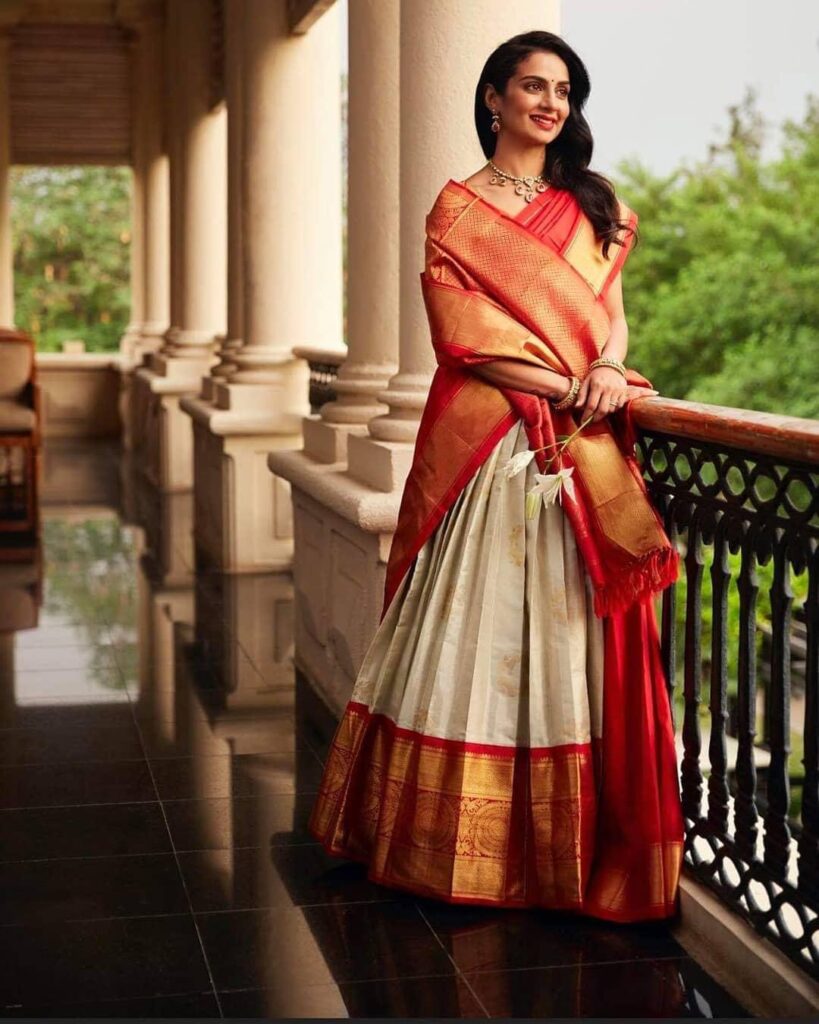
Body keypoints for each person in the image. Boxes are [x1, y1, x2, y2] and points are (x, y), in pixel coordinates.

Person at [308, 30, 685, 923]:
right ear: (492, 98)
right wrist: (569, 384)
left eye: (563, 90)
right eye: (531, 86)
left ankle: (558, 846)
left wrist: (605, 369)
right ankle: (462, 848)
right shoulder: (456, 211)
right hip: (492, 455)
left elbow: (612, 322)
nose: (550, 103)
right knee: (474, 645)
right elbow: (464, 340)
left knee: (561, 643)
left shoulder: (594, 205)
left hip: (578, 452)